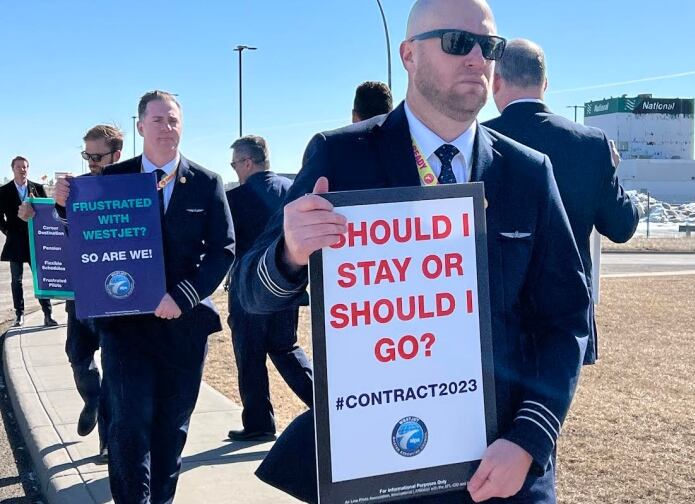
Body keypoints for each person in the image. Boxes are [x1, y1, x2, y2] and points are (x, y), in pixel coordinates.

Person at [232, 1, 589, 502]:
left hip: (499, 465)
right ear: (408, 55)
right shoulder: (342, 158)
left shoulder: (528, 173)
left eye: (489, 46)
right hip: (379, 465)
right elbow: (252, 291)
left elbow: (567, 317)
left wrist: (530, 438)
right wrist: (288, 253)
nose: (476, 59)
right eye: (456, 42)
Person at [54, 91, 235, 503]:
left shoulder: (206, 183)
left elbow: (223, 249)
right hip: (126, 327)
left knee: (172, 428)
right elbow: (87, 240)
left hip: (182, 326)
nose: (166, 128)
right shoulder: (113, 179)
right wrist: (66, 208)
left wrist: (183, 297)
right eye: (157, 121)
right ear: (139, 128)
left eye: (172, 120)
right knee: (128, 428)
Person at [485, 39, 639, 365]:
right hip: (565, 316)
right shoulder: (591, 144)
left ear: (495, 80)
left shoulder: (477, 142)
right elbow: (622, 226)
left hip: (495, 316)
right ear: (545, 83)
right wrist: (611, 173)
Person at [20, 125, 124, 462]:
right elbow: (54, 222)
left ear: (116, 155)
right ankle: (90, 398)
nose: (90, 162)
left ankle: (108, 443)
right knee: (78, 357)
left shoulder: (132, 185)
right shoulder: (74, 189)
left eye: (97, 156)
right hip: (79, 294)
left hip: (117, 296)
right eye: (86, 156)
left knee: (114, 369)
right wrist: (32, 216)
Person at [225, 135, 313, 442]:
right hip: (287, 285)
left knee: (249, 356)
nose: (234, 169)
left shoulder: (234, 199)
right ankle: (324, 405)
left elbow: (227, 246)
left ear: (248, 162)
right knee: (285, 348)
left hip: (249, 291)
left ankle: (259, 422)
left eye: (235, 163)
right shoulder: (292, 192)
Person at [0, 156, 57, 327]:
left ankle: (47, 314)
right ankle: (19, 314)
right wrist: (8, 231)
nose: (22, 169)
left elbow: (48, 212)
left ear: (28, 168)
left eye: (25, 167)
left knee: (40, 277)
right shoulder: (3, 191)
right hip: (15, 241)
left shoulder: (37, 188)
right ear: (13, 169)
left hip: (35, 241)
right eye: (19, 167)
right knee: (16, 280)